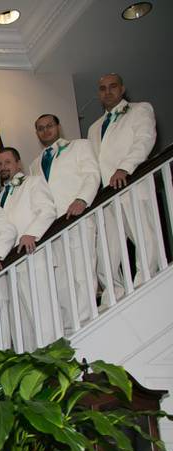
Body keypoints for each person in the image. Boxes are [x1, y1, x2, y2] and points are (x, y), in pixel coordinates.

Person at [87, 73, 158, 301]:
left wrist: (125, 168)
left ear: (122, 88)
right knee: (106, 251)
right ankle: (113, 293)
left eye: (112, 86)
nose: (107, 91)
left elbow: (144, 139)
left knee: (144, 236)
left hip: (131, 184)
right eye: (102, 88)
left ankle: (146, 280)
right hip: (106, 197)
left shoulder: (139, 109)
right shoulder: (94, 128)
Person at [29, 113, 101, 329]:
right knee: (62, 279)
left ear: (58, 126)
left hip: (77, 217)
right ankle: (71, 324)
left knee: (82, 271)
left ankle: (87, 321)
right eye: (40, 128)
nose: (45, 131)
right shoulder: (34, 165)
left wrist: (82, 199)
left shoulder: (79, 146)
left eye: (49, 125)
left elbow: (92, 174)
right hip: (52, 228)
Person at [0, 146, 57, 349]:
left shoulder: (33, 182)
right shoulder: (0, 197)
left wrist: (31, 233)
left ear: (18, 164)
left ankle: (52, 355)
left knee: (41, 311)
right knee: (22, 321)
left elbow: (47, 210)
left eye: (7, 162)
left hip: (33, 256)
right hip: (12, 263)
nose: (3, 167)